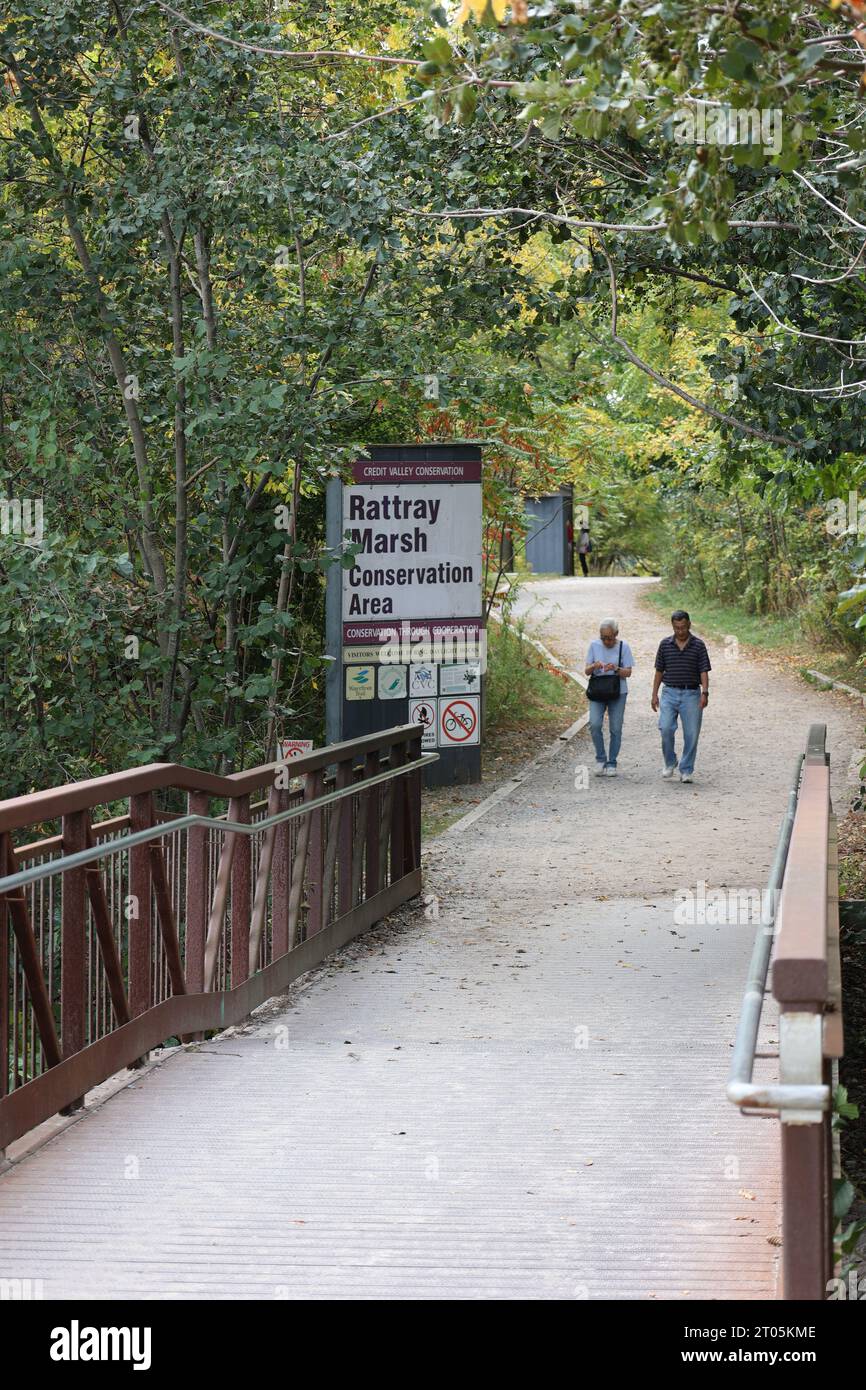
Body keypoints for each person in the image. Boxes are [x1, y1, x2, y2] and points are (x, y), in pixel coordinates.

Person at [651, 610, 711, 784]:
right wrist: (654, 694)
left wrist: (705, 692)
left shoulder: (698, 645)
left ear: (689, 625)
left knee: (692, 733)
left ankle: (686, 769)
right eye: (677, 628)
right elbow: (659, 670)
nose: (680, 631)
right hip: (669, 692)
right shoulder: (665, 644)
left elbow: (703, 671)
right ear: (672, 626)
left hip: (691, 693)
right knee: (665, 728)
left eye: (683, 627)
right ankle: (670, 761)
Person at [584, 619, 634, 777]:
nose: (606, 641)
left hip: (617, 691)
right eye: (603, 637)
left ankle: (612, 762)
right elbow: (586, 670)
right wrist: (594, 666)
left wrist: (616, 668)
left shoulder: (623, 647)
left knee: (616, 728)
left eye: (610, 638)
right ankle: (600, 758)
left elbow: (628, 672)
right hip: (598, 690)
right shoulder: (594, 645)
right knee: (595, 724)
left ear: (616, 634)